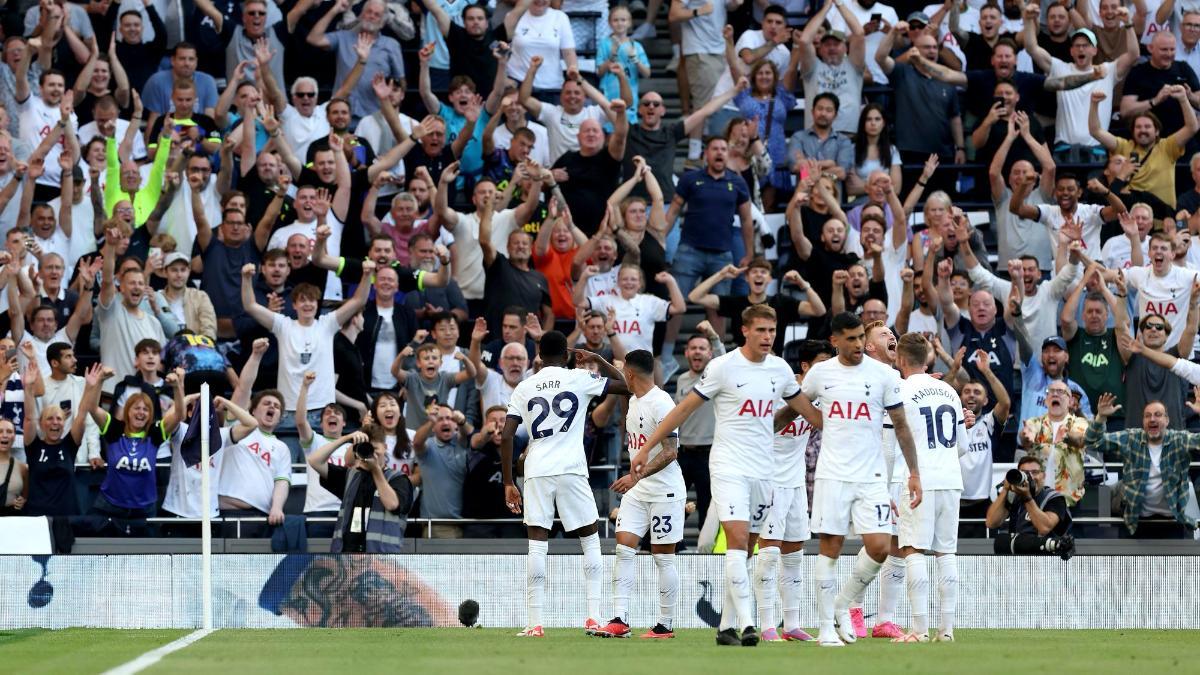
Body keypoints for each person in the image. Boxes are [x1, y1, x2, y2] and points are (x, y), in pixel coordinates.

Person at [638, 305, 811, 646]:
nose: (767, 336)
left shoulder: (780, 370)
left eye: (772, 330)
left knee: (747, 547)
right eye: (761, 330)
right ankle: (748, 624)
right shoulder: (723, 367)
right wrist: (647, 448)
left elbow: (809, 412)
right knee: (736, 539)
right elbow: (683, 409)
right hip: (729, 465)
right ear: (744, 330)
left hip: (765, 471)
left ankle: (726, 627)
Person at [780, 312, 921, 647]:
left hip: (871, 476)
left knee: (880, 546)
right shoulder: (821, 374)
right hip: (833, 474)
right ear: (835, 341)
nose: (858, 344)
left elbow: (901, 425)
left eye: (861, 337)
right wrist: (762, 433)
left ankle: (843, 603)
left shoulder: (884, 375)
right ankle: (826, 628)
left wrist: (914, 472)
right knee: (829, 550)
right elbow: (794, 409)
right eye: (852, 338)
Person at [501, 330, 630, 637]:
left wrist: (508, 481)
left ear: (539, 353)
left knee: (537, 544)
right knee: (590, 539)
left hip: (537, 470)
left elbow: (507, 435)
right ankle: (593, 616)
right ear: (568, 354)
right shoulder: (580, 378)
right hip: (572, 468)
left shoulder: (524, 386)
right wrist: (598, 359)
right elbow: (627, 385)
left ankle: (535, 623)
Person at [596, 350, 684, 638]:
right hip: (638, 490)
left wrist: (635, 477)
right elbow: (616, 376)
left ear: (631, 374)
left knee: (663, 558)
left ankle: (665, 624)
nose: (623, 376)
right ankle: (619, 620)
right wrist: (598, 360)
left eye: (624, 372)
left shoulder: (662, 403)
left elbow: (671, 452)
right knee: (624, 550)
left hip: (665, 492)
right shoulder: (634, 398)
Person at [889, 333, 968, 643]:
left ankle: (919, 629)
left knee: (912, 549)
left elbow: (890, 441)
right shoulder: (949, 390)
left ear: (901, 360)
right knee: (946, 552)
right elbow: (961, 445)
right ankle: (946, 630)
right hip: (950, 478)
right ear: (927, 359)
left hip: (917, 479)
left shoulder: (900, 390)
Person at [753, 340, 832, 642]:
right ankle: (766, 624)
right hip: (769, 481)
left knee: (794, 555)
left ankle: (792, 624)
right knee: (769, 554)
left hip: (797, 483)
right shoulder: (776, 394)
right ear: (805, 367)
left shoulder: (823, 399)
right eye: (823, 365)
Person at [1086, 394, 1200, 538]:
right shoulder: (1131, 438)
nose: (1152, 419)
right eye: (1147, 416)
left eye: (1158, 415)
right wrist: (1101, 417)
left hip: (1172, 521)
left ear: (1167, 420)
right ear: (1143, 421)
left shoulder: (1179, 440)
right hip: (1135, 521)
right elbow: (1092, 442)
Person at [86, 366, 185, 518]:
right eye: (136, 408)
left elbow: (179, 415)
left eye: (146, 409)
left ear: (150, 415)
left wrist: (177, 387)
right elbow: (92, 408)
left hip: (144, 508)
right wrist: (100, 381)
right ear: (128, 411)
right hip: (110, 505)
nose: (141, 412)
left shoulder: (154, 432)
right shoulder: (114, 428)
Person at [309, 429, 420, 552]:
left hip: (381, 559)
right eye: (367, 449)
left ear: (385, 447)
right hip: (346, 555)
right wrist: (346, 438)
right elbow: (314, 461)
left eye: (375, 449)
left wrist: (376, 470)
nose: (371, 454)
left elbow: (392, 504)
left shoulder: (398, 479)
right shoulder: (350, 476)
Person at [1090, 88, 1198, 210]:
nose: (1143, 130)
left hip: (1163, 221)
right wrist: (1094, 103)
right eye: (1138, 127)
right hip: (1133, 220)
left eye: (1147, 126)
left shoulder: (1167, 146)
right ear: (1133, 131)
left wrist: (1183, 99)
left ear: (1157, 131)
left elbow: (1192, 128)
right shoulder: (1123, 146)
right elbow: (1096, 131)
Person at [875, 22, 965, 169]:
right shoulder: (902, 73)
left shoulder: (946, 78)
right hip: (910, 153)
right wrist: (893, 32)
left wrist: (960, 148)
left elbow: (955, 117)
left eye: (935, 47)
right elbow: (880, 57)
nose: (932, 51)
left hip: (942, 153)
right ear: (914, 50)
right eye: (927, 47)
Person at [22, 364, 103, 517]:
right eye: (49, 418)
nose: (55, 422)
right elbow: (28, 418)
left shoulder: (69, 445)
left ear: (64, 423)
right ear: (41, 423)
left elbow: (82, 415)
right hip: (37, 515)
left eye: (59, 419)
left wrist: (90, 388)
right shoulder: (34, 446)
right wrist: (29, 388)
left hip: (66, 516)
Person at [306, 0, 407, 121]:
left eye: (377, 14)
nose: (371, 16)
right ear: (361, 15)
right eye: (369, 12)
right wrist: (334, 10)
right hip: (342, 115)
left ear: (383, 22)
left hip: (374, 116)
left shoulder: (391, 45)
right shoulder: (343, 37)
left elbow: (400, 82)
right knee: (345, 141)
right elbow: (313, 38)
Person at [984, 455, 1074, 558]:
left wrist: (1027, 497)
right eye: (1025, 473)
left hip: (1048, 559)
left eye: (1035, 472)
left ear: (1043, 476)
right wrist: (1005, 489)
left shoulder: (1054, 498)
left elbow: (1044, 528)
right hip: (1017, 557)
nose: (1030, 477)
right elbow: (991, 523)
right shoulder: (1013, 497)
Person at [799, 0, 866, 135]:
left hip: (849, 135)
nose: (832, 48)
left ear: (846, 47)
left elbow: (859, 33)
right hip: (816, 136)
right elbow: (805, 40)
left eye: (836, 44)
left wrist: (839, 4)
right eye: (827, 44)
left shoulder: (853, 65)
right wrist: (826, 7)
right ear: (820, 49)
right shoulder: (812, 67)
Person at [413, 404, 472, 538]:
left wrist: (462, 421)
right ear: (433, 427)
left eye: (449, 418)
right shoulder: (428, 446)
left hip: (467, 524)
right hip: (435, 525)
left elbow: (471, 434)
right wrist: (430, 421)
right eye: (440, 419)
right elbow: (416, 443)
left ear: (456, 424)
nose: (445, 422)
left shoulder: (462, 442)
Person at [0, 418, 26, 515]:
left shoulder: (23, 468)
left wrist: (22, 501)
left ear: (14, 437)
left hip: (13, 523)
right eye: (0, 431)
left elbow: (25, 496)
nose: (5, 435)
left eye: (9, 432)